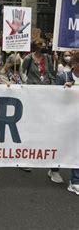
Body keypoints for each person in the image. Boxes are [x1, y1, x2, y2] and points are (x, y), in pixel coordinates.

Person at [54, 50, 79, 194]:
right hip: (64, 119)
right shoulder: (63, 76)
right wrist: (65, 90)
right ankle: (54, 169)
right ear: (75, 64)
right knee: (61, 145)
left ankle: (75, 180)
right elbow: (54, 97)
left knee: (77, 147)